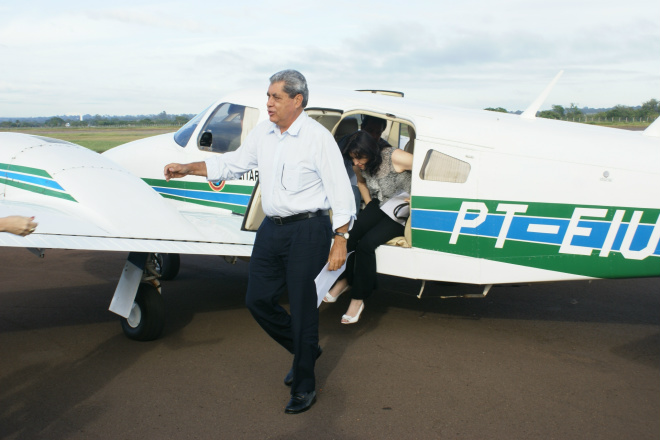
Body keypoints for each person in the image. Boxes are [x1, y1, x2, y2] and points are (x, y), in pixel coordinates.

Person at [164, 70, 355, 414]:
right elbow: (233, 164)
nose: (268, 103)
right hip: (272, 228)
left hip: (308, 231)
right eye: (268, 96)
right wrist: (188, 167)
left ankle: (304, 385)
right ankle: (305, 351)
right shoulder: (264, 133)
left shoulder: (317, 138)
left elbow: (340, 191)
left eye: (276, 97)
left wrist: (340, 238)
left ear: (297, 101)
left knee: (302, 307)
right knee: (257, 300)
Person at [324, 130, 412, 324]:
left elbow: (427, 170)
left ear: (371, 152)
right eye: (352, 159)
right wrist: (370, 205)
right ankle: (346, 280)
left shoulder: (394, 157)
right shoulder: (359, 164)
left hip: (403, 211)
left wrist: (417, 197)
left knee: (367, 244)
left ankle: (358, 299)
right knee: (352, 235)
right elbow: (362, 182)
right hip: (380, 205)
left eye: (359, 158)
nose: (356, 163)